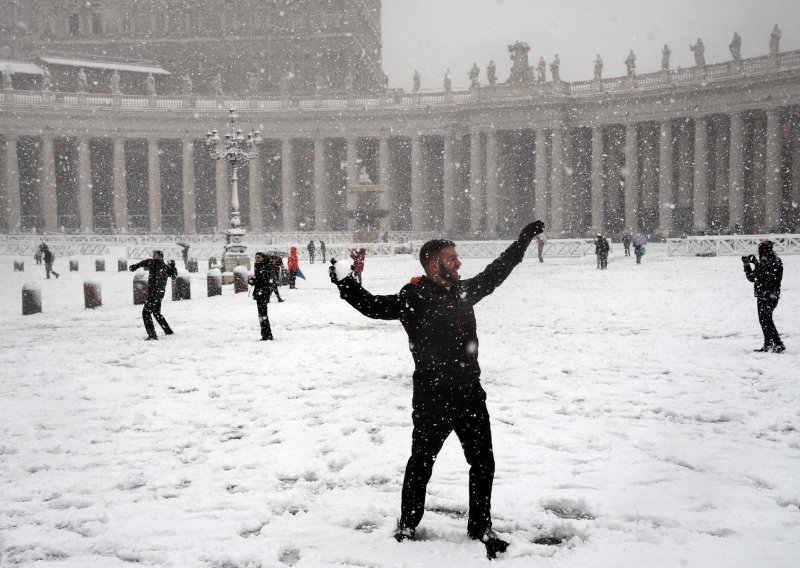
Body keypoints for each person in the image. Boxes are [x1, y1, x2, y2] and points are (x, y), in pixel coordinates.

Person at [329, 219, 545, 559]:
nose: (458, 263)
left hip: (471, 395)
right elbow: (374, 306)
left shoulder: (464, 291)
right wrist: (346, 285)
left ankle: (481, 527)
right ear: (433, 264)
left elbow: (496, 272)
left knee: (483, 463)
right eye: (452, 257)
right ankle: (407, 524)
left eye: (457, 257)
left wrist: (522, 241)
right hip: (433, 399)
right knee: (421, 464)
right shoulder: (414, 295)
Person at [743, 240, 784, 353]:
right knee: (766, 319)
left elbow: (753, 277)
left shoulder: (767, 261)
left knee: (765, 320)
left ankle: (775, 343)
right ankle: (772, 343)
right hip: (772, 295)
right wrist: (756, 264)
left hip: (765, 295)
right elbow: (763, 275)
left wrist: (747, 266)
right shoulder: (775, 260)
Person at [130, 250, 177, 340]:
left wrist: (136, 266)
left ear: (160, 256)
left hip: (154, 293)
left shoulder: (154, 263)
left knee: (146, 313)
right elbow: (173, 275)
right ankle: (168, 331)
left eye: (155, 255)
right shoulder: (165, 267)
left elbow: (146, 262)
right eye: (153, 254)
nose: (153, 256)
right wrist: (173, 266)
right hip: (160, 293)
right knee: (156, 312)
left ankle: (152, 335)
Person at [248, 252, 274, 341]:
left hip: (263, 293)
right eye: (256, 258)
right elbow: (259, 279)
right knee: (261, 315)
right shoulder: (259, 266)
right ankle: (265, 334)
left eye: (258, 257)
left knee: (263, 315)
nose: (257, 259)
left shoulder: (265, 267)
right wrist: (253, 280)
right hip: (260, 293)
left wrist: (253, 281)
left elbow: (263, 280)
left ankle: (267, 335)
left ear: (262, 258)